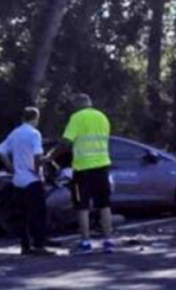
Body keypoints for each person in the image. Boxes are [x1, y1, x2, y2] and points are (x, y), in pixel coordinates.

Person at [51, 93, 115, 254]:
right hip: (102, 166)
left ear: (78, 104)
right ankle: (108, 241)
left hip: (82, 168)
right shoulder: (102, 117)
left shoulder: (77, 118)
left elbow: (66, 142)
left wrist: (50, 156)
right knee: (104, 204)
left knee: (82, 206)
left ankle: (85, 243)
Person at [0, 107, 53, 256]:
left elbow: (0, 150)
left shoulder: (15, 133)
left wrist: (10, 166)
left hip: (18, 179)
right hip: (32, 179)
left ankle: (25, 245)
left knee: (23, 214)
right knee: (38, 213)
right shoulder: (34, 134)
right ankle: (39, 245)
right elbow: (37, 155)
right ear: (36, 118)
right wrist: (38, 170)